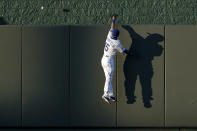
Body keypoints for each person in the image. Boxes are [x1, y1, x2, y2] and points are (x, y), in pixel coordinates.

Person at [101, 15, 132, 104]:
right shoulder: (116, 42)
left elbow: (112, 27)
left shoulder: (109, 36)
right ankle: (105, 94)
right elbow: (124, 51)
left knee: (108, 77)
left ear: (112, 34)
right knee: (109, 78)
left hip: (103, 59)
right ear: (117, 36)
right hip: (109, 62)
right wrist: (132, 54)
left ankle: (110, 95)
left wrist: (113, 20)